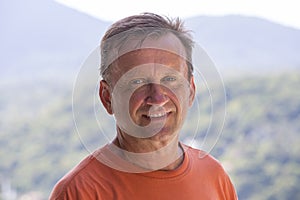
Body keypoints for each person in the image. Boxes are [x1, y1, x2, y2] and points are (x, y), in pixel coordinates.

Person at [50, 13, 238, 199]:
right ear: (107, 97)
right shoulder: (79, 192)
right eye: (137, 81)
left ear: (191, 90)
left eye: (170, 79)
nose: (157, 98)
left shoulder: (215, 176)